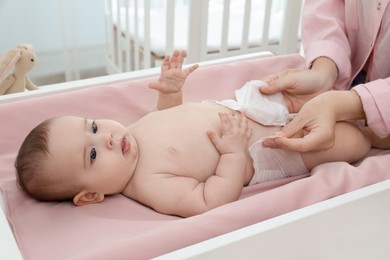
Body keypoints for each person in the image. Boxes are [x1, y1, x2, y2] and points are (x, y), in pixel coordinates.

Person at [15, 50, 373, 218]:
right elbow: (209, 199)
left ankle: (363, 97)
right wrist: (233, 152)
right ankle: (377, 137)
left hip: (247, 109)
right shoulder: (149, 184)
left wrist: (170, 90)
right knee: (354, 141)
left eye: (92, 126)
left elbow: (168, 115)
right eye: (92, 155)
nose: (105, 138)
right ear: (91, 195)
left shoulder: (132, 134)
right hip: (269, 149)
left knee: (314, 94)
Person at [260, 0, 390, 152]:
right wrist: (323, 72)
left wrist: (345, 104)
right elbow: (326, 7)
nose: (230, 121)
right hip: (343, 77)